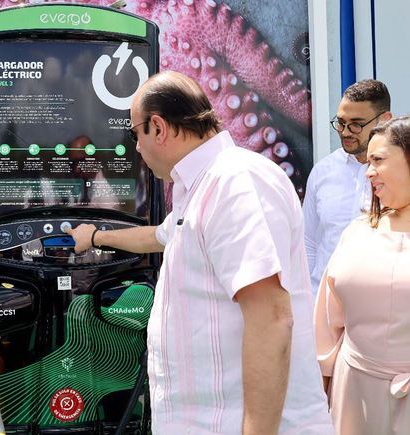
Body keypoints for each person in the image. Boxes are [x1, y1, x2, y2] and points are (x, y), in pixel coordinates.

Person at [66, 71, 332, 434]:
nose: (136, 148)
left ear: (157, 128)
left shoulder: (234, 183)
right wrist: (94, 236)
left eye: (134, 134)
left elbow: (270, 317)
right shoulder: (202, 185)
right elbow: (159, 237)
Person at [315, 116, 410, 435]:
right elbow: (328, 326)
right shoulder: (356, 233)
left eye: (378, 160)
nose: (368, 172)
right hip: (352, 397)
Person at [303, 80, 392, 293]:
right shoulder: (322, 172)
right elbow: (308, 243)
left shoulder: (401, 174)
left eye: (356, 124)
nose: (345, 132)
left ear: (385, 120)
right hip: (323, 309)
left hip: (380, 312)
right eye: (340, 122)